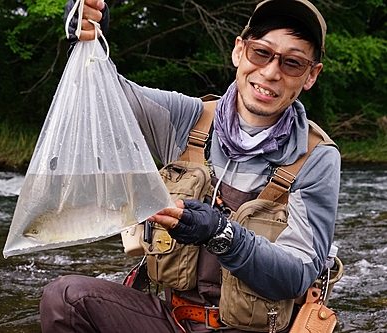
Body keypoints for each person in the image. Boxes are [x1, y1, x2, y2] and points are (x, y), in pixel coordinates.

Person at [40, 0, 341, 332]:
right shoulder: (186, 119)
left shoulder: (317, 158)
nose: (271, 72)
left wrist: (221, 234)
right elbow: (103, 101)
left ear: (311, 75)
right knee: (66, 298)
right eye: (261, 53)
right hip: (172, 319)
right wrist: (87, 44)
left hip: (250, 329)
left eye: (293, 63)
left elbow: (297, 275)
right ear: (239, 51)